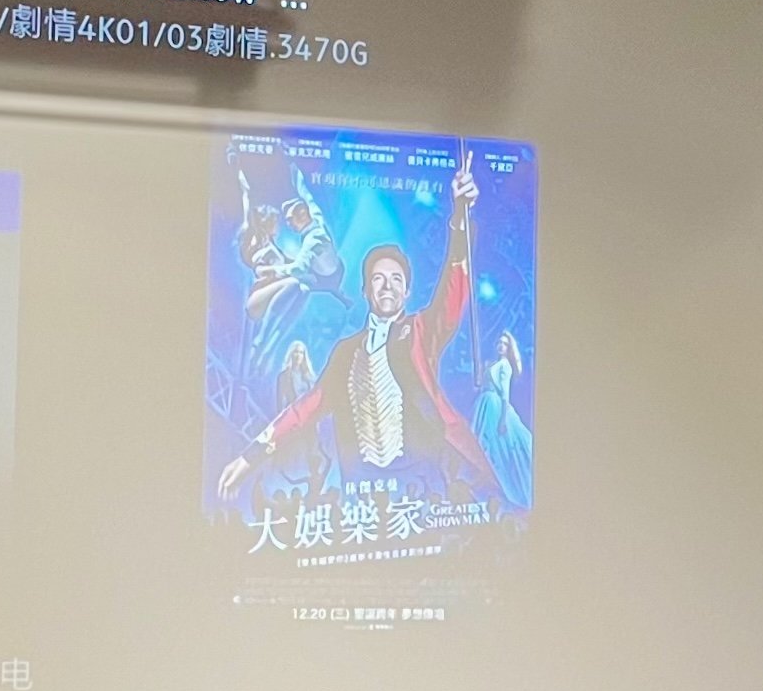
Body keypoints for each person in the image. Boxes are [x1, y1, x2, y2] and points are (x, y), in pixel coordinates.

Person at [217, 155, 508, 510]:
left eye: (396, 280)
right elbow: (304, 409)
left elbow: (452, 290)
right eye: (378, 279)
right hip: (365, 495)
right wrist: (249, 456)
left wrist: (460, 219)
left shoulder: (421, 330)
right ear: (366, 290)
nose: (387, 286)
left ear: (407, 292)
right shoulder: (345, 352)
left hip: (426, 483)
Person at [472, 328, 533, 511]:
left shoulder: (505, 366)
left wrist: (503, 419)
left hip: (494, 405)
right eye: (499, 343)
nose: (501, 346)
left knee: (491, 443)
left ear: (508, 348)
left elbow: (505, 393)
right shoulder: (492, 364)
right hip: (484, 402)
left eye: (505, 344)